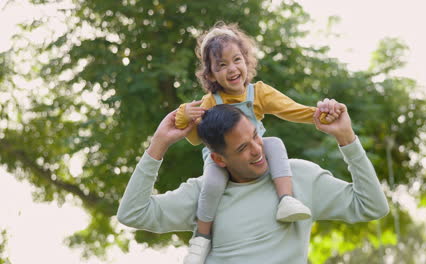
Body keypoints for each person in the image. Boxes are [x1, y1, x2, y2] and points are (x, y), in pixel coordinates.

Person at [117, 102, 389, 264]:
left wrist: (347, 138)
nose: (258, 150)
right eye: (242, 148)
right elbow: (133, 213)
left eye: (256, 137)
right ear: (219, 159)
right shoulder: (203, 194)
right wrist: (158, 145)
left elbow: (372, 206)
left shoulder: (300, 177)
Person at [174, 22, 340, 263]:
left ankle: (286, 200)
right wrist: (183, 115)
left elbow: (289, 109)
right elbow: (195, 137)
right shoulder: (210, 102)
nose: (232, 69)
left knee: (275, 144)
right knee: (211, 184)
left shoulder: (259, 93)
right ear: (210, 74)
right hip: (223, 160)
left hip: (254, 154)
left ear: (246, 61)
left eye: (237, 59)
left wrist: (319, 114)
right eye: (222, 65)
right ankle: (201, 237)